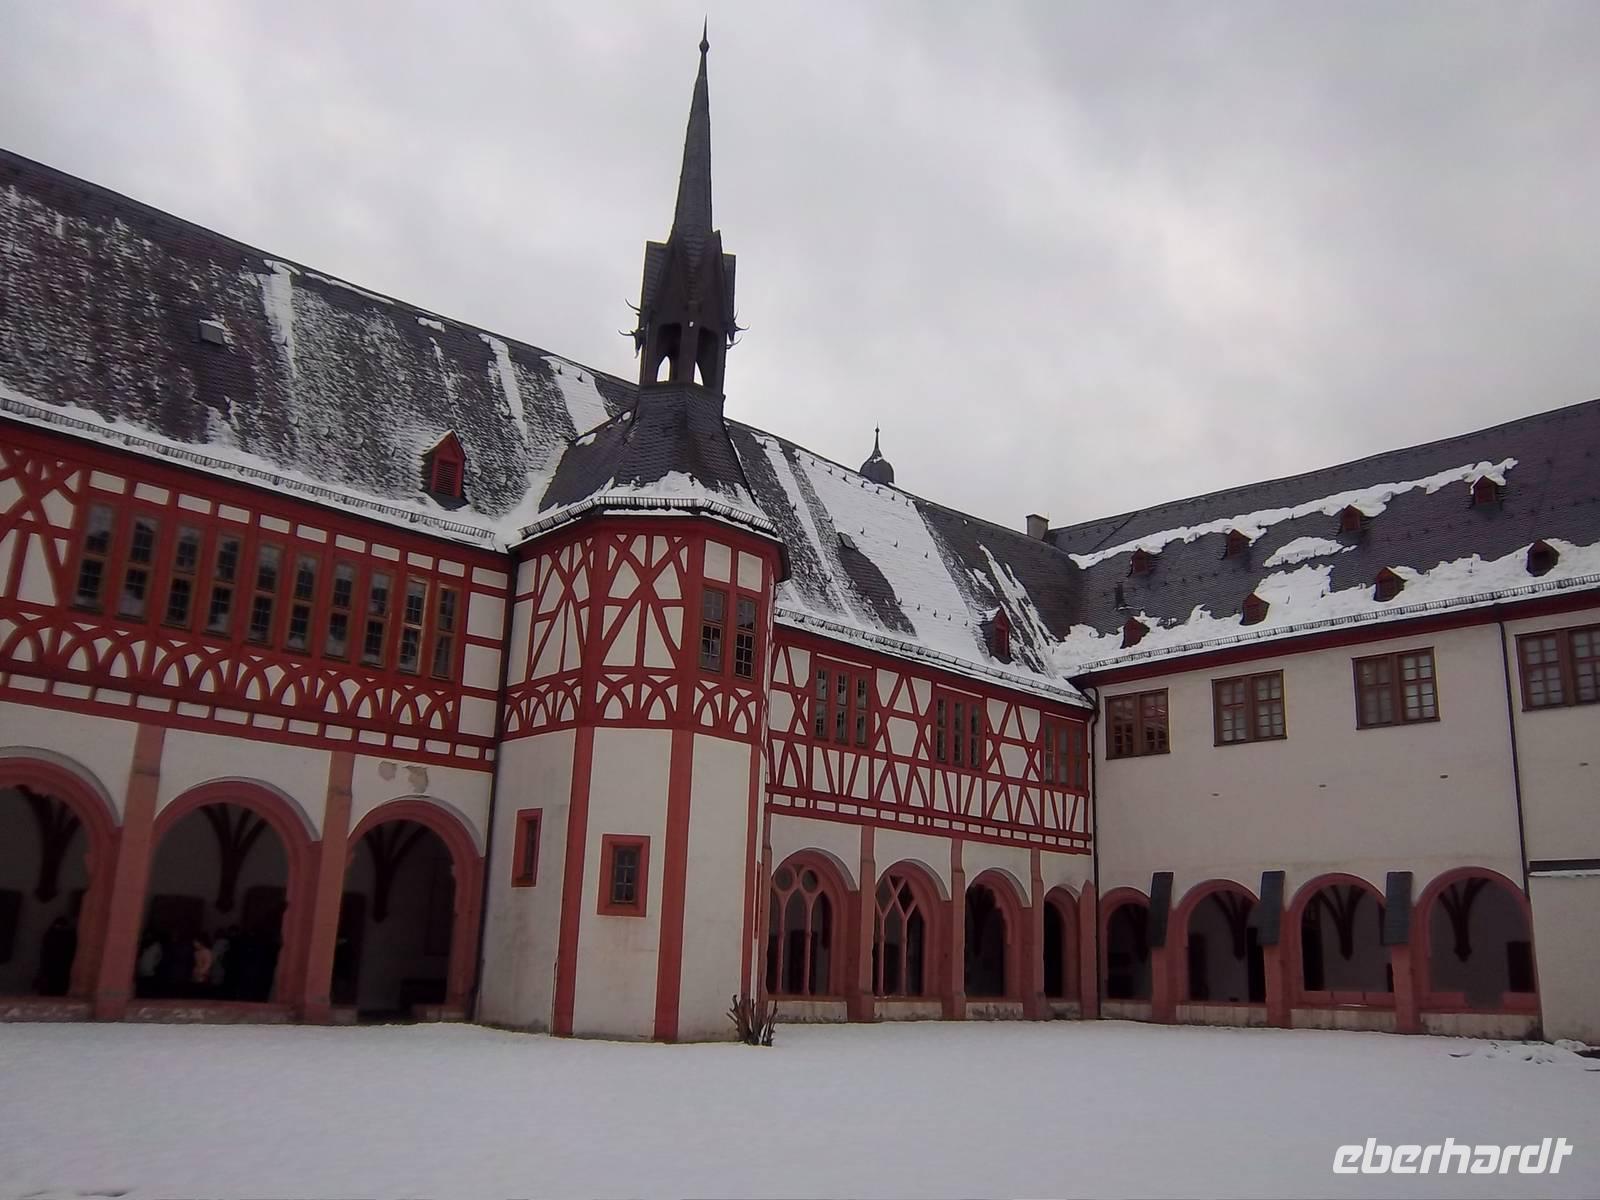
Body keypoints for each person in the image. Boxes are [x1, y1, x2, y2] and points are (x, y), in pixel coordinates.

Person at [34, 917, 76, 996]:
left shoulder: (51, 934)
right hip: (60, 967)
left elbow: (45, 951)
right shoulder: (68, 935)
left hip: (51, 966)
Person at [135, 933, 163, 998]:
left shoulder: (156, 945)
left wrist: (155, 965)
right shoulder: (143, 945)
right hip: (141, 972)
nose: (148, 937)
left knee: (147, 991)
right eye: (147, 936)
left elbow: (159, 957)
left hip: (150, 972)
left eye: (150, 935)